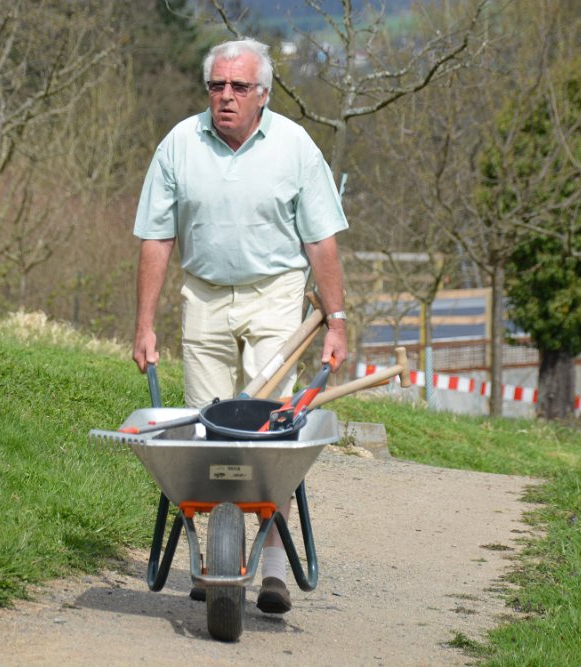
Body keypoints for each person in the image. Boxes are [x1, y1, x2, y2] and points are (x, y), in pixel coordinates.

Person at [132, 37, 348, 614]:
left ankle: (273, 563)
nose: (225, 96)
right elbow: (156, 237)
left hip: (275, 294)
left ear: (263, 94)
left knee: (269, 432)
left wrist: (337, 320)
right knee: (206, 431)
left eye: (239, 86)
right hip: (203, 295)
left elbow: (321, 240)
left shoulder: (295, 148)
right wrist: (144, 324)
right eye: (217, 85)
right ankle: (214, 559)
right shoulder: (180, 145)